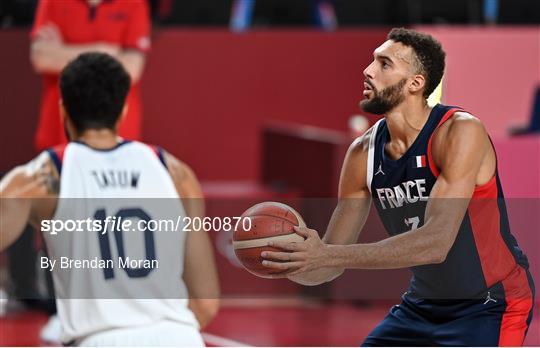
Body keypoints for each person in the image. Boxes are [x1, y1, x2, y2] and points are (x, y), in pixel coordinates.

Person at [261, 28, 535, 346]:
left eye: (384, 63)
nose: (368, 70)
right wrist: (287, 260)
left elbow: (435, 244)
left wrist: (328, 254)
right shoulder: (362, 152)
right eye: (372, 61)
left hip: (490, 304)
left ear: (415, 83)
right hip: (421, 306)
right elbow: (326, 267)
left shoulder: (459, 132)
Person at [0, 53, 219, 346]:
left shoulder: (37, 179)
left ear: (63, 110)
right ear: (124, 111)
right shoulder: (176, 174)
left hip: (99, 339)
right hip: (179, 337)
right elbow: (205, 304)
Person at [30, 0, 150, 151]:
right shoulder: (52, 2)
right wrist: (105, 50)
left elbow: (132, 68)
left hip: (118, 135)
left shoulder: (134, 3)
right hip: (58, 130)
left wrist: (62, 51)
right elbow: (42, 58)